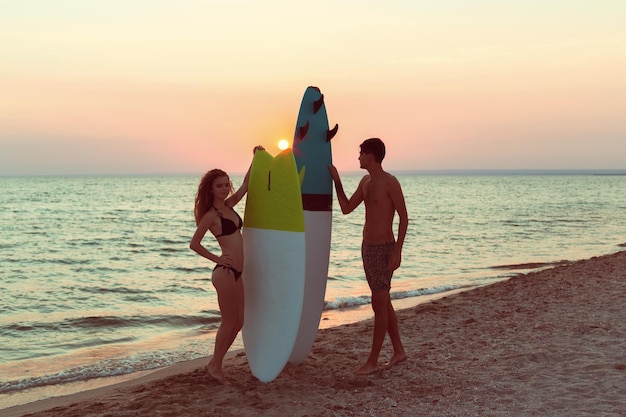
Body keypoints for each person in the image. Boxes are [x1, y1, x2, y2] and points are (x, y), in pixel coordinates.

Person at [328, 138, 408, 375]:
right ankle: (399, 351)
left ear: (371, 155)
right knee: (383, 301)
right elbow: (346, 208)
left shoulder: (390, 182)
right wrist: (337, 182)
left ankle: (373, 361)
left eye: (361, 153)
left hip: (385, 249)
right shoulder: (365, 182)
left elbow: (404, 217)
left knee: (378, 303)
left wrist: (397, 252)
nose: (358, 157)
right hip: (367, 249)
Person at [190, 145, 263, 384]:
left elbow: (245, 187)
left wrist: (256, 159)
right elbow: (195, 244)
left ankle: (214, 364)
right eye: (219, 185)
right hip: (225, 272)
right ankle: (216, 366)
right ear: (210, 189)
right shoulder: (211, 215)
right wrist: (218, 259)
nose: (224, 188)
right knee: (229, 321)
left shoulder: (229, 207)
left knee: (238, 321)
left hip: (236, 272)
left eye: (225, 184)